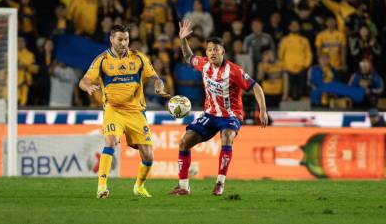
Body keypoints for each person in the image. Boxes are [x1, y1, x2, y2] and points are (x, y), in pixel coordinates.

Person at [170, 20, 268, 196]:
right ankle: (183, 187)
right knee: (184, 142)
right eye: (209, 50)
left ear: (223, 51)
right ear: (206, 52)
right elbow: (188, 57)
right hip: (210, 114)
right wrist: (183, 39)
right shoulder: (204, 64)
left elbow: (256, 87)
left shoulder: (234, 71)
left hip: (231, 116)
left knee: (227, 136)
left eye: (216, 49)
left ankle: (220, 183)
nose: (212, 52)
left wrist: (263, 110)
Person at [79, 24, 170, 198]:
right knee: (111, 142)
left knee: (149, 156)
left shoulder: (138, 58)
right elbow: (83, 80)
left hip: (136, 112)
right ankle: (102, 186)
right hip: (114, 110)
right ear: (112, 39)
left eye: (126, 39)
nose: (124, 42)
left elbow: (155, 77)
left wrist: (159, 86)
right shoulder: (103, 60)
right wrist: (88, 87)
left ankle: (139, 186)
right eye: (120, 39)